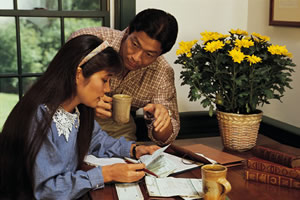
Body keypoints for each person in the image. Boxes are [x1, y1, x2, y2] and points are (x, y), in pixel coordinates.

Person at [0, 35, 160, 199]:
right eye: (105, 80)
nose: (107, 89)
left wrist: (134, 149)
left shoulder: (79, 110)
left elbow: (97, 140)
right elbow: (47, 190)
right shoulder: (41, 117)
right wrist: (106, 174)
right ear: (78, 74)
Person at [69, 8, 180, 146]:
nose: (136, 57)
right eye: (134, 44)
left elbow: (166, 138)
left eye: (149, 54)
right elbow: (56, 85)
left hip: (120, 139)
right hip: (73, 127)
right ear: (127, 31)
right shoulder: (93, 41)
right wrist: (86, 101)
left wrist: (162, 121)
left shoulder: (162, 72)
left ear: (160, 54)